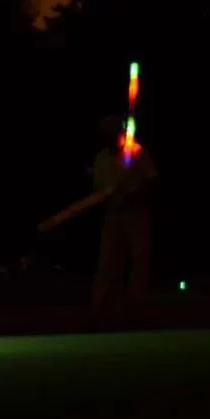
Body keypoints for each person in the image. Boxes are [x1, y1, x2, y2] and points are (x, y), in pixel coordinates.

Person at [90, 115, 158, 323]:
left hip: (136, 216)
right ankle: (101, 309)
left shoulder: (136, 152)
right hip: (112, 216)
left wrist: (136, 196)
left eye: (112, 133)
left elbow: (152, 182)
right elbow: (98, 191)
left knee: (139, 261)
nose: (110, 138)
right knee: (108, 261)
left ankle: (135, 308)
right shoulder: (101, 158)